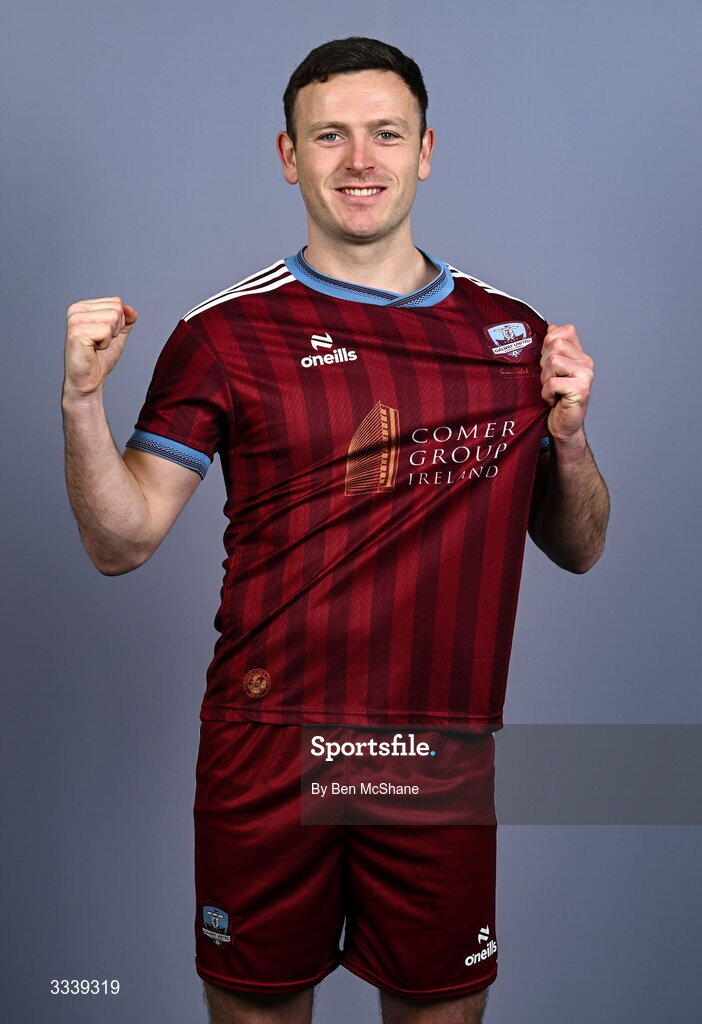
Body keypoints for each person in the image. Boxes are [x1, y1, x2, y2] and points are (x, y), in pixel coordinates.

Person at [62, 36, 609, 1024]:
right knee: (258, 1010)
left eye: (386, 134)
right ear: (289, 155)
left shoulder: (513, 335)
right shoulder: (223, 334)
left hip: (435, 746)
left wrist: (568, 440)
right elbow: (120, 540)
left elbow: (580, 546)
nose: (360, 159)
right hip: (270, 738)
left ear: (425, 151)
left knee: (441, 1008)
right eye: (330, 136)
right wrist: (80, 404)